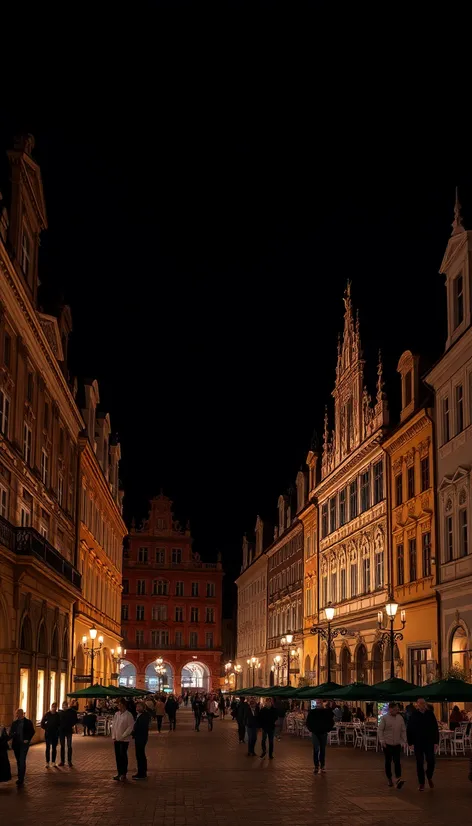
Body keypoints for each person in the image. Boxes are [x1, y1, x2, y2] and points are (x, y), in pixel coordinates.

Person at [407, 698, 439, 791]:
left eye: (424, 703)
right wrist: (410, 743)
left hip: (429, 742)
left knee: (431, 761)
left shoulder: (430, 714)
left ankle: (429, 775)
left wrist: (436, 742)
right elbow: (409, 729)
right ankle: (421, 783)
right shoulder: (414, 715)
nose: (422, 705)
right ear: (417, 705)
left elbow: (435, 728)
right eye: (420, 703)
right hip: (418, 742)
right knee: (419, 763)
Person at [378, 702, 406, 788]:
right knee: (388, 761)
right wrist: (382, 740)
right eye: (395, 709)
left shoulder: (400, 718)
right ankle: (389, 778)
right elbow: (380, 730)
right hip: (387, 744)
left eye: (397, 709)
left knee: (397, 761)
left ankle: (398, 778)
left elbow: (403, 730)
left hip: (397, 743)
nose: (396, 711)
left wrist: (403, 741)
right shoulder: (384, 718)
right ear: (390, 709)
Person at [306, 700, 334, 774]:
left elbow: (331, 721)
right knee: (316, 749)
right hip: (315, 732)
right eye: (317, 703)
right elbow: (308, 722)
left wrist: (327, 729)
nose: (318, 704)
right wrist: (311, 729)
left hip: (323, 732)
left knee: (322, 749)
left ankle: (322, 766)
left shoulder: (326, 712)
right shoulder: (312, 712)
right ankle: (316, 766)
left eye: (320, 703)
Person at [8, 709, 35, 786]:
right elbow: (11, 733)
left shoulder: (28, 722)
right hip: (16, 744)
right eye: (16, 713)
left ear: (21, 714)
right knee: (18, 761)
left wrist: (28, 739)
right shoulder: (14, 723)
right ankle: (20, 775)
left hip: (24, 744)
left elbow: (32, 731)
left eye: (17, 713)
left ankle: (21, 779)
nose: (16, 715)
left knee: (22, 760)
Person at [112, 698, 135, 781]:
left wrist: (123, 735)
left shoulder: (128, 715)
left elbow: (130, 727)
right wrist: (114, 736)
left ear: (124, 705)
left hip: (124, 739)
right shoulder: (117, 714)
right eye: (118, 704)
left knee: (123, 756)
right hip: (117, 739)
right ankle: (119, 772)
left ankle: (124, 773)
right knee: (118, 756)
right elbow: (114, 726)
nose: (119, 706)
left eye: (121, 704)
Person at [132, 702, 150, 780]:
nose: (137, 708)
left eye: (139, 706)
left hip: (141, 737)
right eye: (137, 706)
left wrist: (133, 731)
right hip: (139, 737)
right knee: (139, 755)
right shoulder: (140, 715)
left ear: (143, 707)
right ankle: (141, 772)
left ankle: (142, 773)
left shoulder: (144, 716)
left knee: (140, 755)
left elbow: (141, 727)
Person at [41, 702, 61, 768]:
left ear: (56, 708)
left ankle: (53, 762)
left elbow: (59, 724)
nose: (54, 708)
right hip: (48, 733)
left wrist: (58, 730)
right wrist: (46, 728)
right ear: (51, 707)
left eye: (55, 706)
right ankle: (47, 762)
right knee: (47, 748)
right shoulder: (47, 714)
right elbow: (42, 723)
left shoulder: (57, 715)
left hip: (55, 734)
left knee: (54, 748)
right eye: (53, 706)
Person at [59, 700, 78, 767]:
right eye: (63, 706)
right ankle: (62, 761)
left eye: (65, 705)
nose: (64, 707)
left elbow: (75, 719)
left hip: (68, 731)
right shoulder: (60, 713)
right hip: (61, 731)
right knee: (62, 746)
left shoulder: (71, 712)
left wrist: (71, 725)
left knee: (69, 746)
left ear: (67, 706)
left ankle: (69, 761)